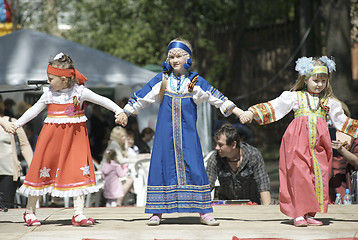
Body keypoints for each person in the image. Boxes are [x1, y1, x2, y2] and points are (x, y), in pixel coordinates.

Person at [117, 38, 248, 226]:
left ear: (188, 57)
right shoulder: (161, 80)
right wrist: (125, 113)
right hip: (164, 135)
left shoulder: (195, 81)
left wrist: (240, 112)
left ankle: (203, 211)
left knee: (194, 165)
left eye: (179, 55)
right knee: (162, 165)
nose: (174, 59)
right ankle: (156, 211)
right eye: (171, 56)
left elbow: (218, 98)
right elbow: (141, 97)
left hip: (187, 135)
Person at [7, 52, 126, 226]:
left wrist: (118, 110)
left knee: (78, 170)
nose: (48, 81)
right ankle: (29, 211)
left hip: (75, 140)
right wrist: (17, 124)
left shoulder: (80, 92)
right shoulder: (48, 94)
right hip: (51, 139)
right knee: (42, 169)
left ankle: (78, 213)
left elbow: (102, 100)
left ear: (64, 79)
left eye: (51, 78)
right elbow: (33, 111)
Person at [240, 56, 358, 227]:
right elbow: (275, 106)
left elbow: (343, 122)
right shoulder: (295, 97)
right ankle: (298, 212)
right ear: (305, 79)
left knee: (318, 176)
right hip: (297, 142)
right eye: (315, 80)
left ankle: (310, 212)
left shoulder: (328, 103)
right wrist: (252, 112)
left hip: (319, 145)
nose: (319, 84)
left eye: (323, 81)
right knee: (299, 175)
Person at [206, 124, 271, 205]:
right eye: (216, 144)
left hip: (252, 205)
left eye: (220, 145)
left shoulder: (253, 155)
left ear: (233, 144)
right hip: (226, 206)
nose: (216, 148)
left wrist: (266, 211)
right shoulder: (215, 158)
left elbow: (263, 185)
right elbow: (207, 186)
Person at [0, 102, 33, 208]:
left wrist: (32, 168)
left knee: (6, 207)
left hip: (8, 171)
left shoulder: (12, 122)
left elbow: (25, 145)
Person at [329, 102, 358, 203]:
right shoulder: (319, 132)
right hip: (324, 180)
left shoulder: (354, 135)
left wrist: (341, 149)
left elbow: (356, 162)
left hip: (345, 181)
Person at [102, 126, 137, 206]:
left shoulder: (116, 144)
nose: (124, 138)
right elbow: (121, 160)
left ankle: (118, 202)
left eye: (125, 136)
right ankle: (118, 202)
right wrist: (136, 159)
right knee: (129, 180)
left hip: (109, 172)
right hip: (109, 173)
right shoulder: (114, 145)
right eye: (122, 136)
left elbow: (127, 156)